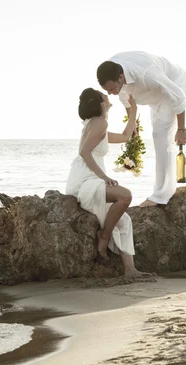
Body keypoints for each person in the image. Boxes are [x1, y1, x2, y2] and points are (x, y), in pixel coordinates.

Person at [65, 88, 146, 276]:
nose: (107, 96)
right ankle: (104, 236)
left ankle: (130, 270)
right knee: (125, 196)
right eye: (104, 94)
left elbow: (126, 136)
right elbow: (84, 153)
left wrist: (133, 109)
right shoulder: (99, 123)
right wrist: (104, 177)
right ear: (101, 103)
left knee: (123, 219)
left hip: (88, 179)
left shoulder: (97, 124)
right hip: (84, 181)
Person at [97, 51, 186, 207]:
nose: (110, 94)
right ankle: (166, 188)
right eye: (106, 90)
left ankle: (161, 196)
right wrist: (133, 125)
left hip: (175, 84)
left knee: (160, 134)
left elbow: (178, 96)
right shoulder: (111, 69)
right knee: (159, 133)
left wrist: (181, 129)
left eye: (112, 89)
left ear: (121, 78)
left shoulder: (147, 73)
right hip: (154, 94)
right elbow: (126, 100)